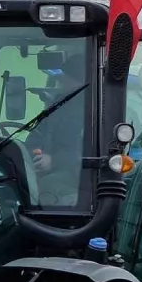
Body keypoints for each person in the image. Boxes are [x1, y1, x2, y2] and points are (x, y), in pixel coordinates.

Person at [26, 52, 87, 205]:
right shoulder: (57, 105)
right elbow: (37, 134)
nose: (61, 81)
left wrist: (54, 161)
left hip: (79, 176)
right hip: (48, 169)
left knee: (45, 187)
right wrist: (35, 153)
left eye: (66, 77)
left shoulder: (93, 109)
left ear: (80, 81)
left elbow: (87, 152)